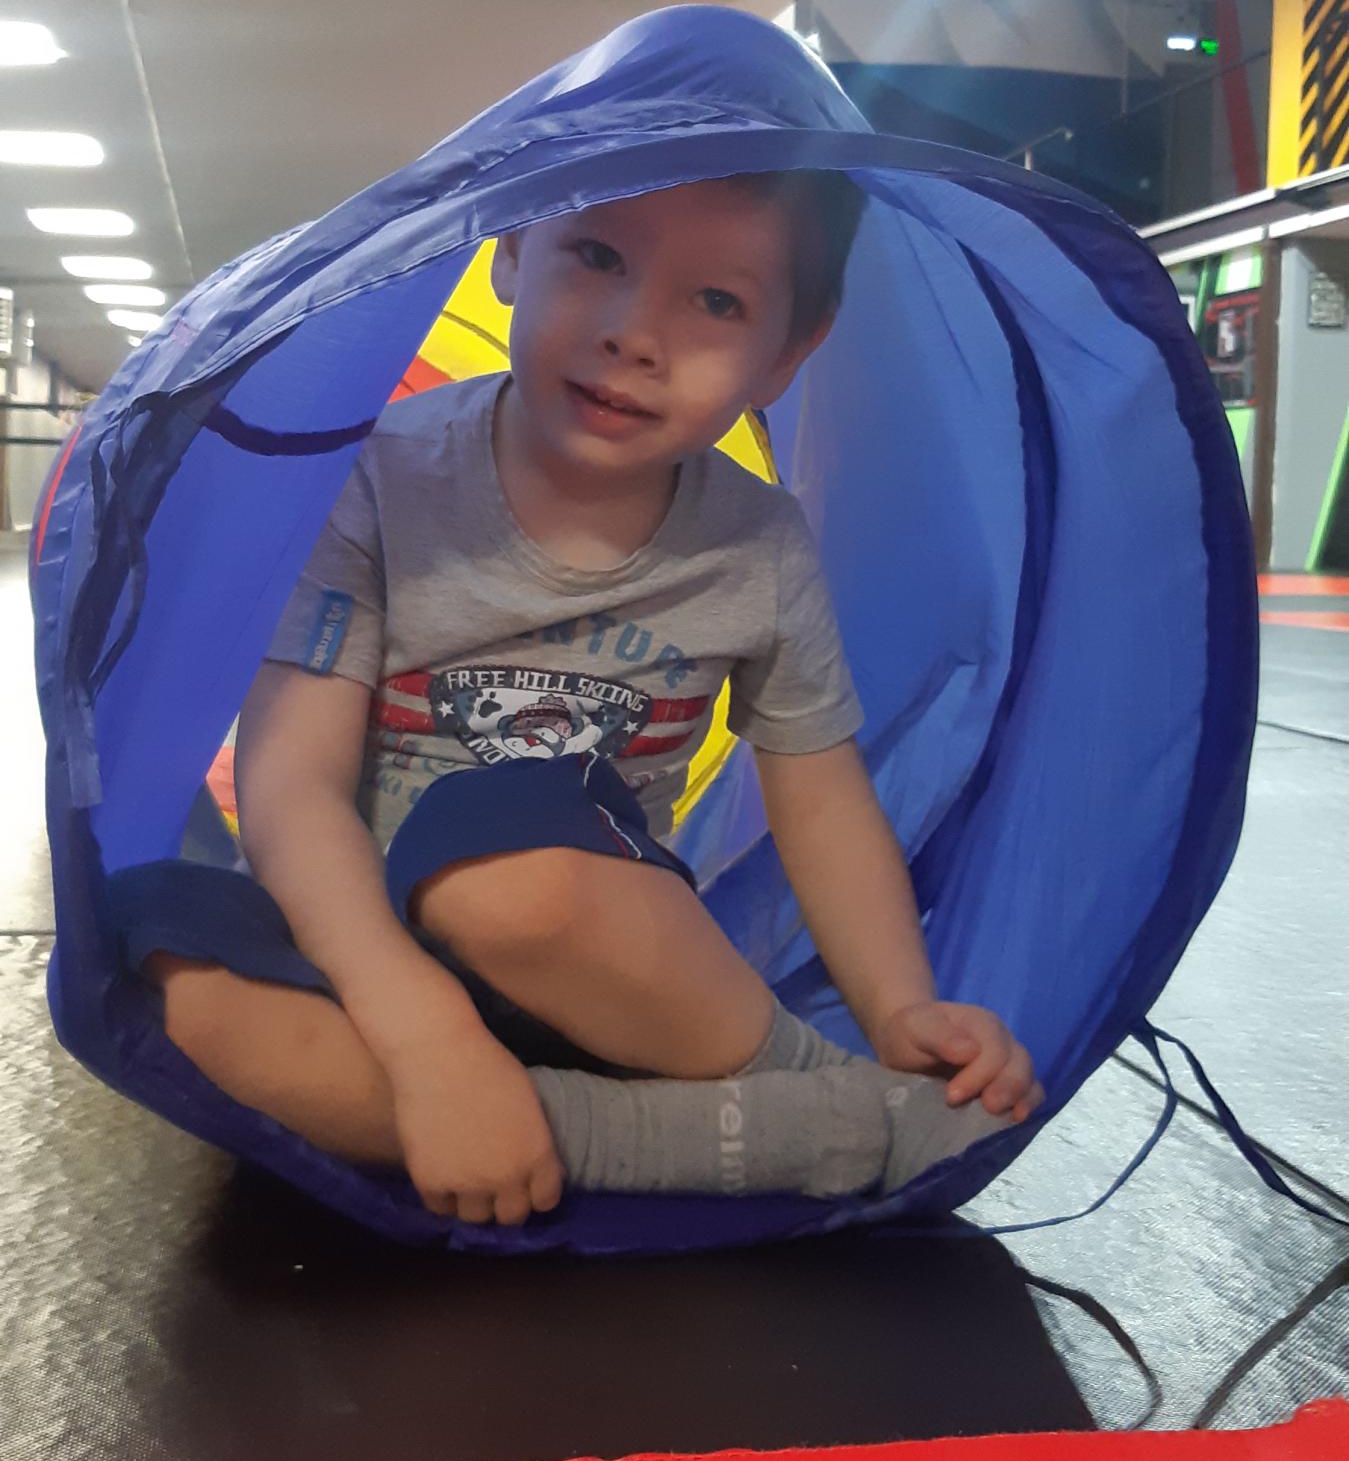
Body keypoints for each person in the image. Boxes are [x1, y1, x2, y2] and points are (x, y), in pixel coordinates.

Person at [128, 169, 1042, 1226]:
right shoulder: (377, 480)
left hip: (584, 954)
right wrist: (425, 1035)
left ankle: (808, 1081)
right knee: (160, 966)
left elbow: (821, 797)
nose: (634, 335)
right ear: (511, 252)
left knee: (500, 862)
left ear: (788, 352)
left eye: (717, 301)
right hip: (357, 966)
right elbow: (291, 787)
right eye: (598, 256)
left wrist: (898, 1010)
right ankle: (765, 1129)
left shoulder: (757, 545)